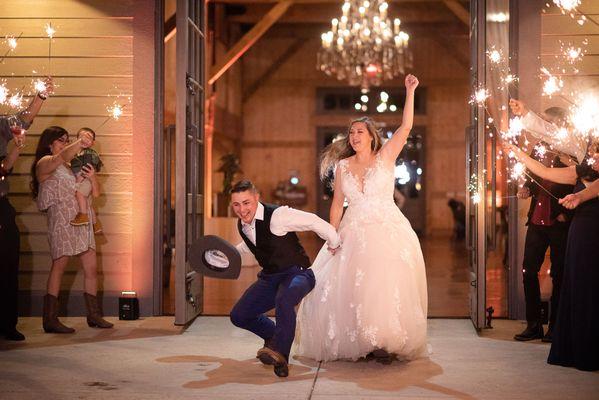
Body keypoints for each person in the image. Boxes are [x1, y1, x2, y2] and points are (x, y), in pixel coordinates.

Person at [296, 75, 428, 363]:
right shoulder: (342, 166)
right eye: (351, 133)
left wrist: (410, 91)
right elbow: (336, 206)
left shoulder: (386, 157)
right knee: (353, 286)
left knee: (384, 283)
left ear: (371, 136)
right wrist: (332, 235)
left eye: (360, 132)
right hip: (354, 230)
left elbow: (406, 127)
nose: (354, 137)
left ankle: (384, 338)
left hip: (387, 228)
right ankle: (361, 339)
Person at [228, 180, 341, 377]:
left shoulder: (278, 216)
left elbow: (313, 221)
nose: (242, 209)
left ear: (257, 198)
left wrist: (334, 241)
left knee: (285, 298)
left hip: (298, 273)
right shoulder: (243, 225)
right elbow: (250, 244)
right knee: (239, 315)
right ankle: (273, 336)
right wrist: (227, 255)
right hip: (270, 277)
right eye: (236, 204)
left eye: (246, 203)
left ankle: (280, 353)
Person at [506, 142, 599, 371]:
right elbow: (544, 173)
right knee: (568, 282)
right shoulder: (578, 170)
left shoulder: (573, 162)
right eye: (591, 150)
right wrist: (518, 153)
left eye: (597, 150)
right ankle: (542, 327)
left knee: (570, 279)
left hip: (577, 229)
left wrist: (579, 198)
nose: (592, 154)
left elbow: (590, 190)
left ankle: (560, 329)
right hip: (569, 230)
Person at [31, 126, 113, 333]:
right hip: (62, 220)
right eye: (61, 140)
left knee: (91, 268)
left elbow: (89, 191)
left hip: (82, 219)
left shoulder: (70, 165)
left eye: (67, 140)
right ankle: (50, 318)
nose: (65, 144)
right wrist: (80, 142)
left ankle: (93, 315)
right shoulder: (45, 163)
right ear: (49, 143)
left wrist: (92, 175)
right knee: (59, 265)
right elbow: (59, 158)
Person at [0, 77, 53, 341]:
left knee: (8, 261)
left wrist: (40, 95)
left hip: (1, 206)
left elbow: (24, 119)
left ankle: (7, 323)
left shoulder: (1, 125)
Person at [514, 145, 573, 343]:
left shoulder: (569, 152)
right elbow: (531, 179)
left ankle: (555, 327)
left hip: (559, 222)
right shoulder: (537, 151)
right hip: (537, 220)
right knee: (528, 271)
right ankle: (534, 325)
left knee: (559, 274)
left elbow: (578, 185)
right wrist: (526, 189)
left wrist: (567, 214)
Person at [509, 99, 586, 164]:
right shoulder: (542, 147)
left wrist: (524, 112)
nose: (544, 128)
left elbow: (549, 131)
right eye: (542, 121)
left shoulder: (578, 137)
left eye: (547, 122)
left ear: (562, 122)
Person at [69, 127, 103, 234]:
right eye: (82, 137)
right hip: (85, 180)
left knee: (79, 194)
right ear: (77, 139)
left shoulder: (88, 153)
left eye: (89, 138)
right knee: (88, 203)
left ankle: (83, 215)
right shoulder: (78, 153)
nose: (85, 140)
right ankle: (95, 224)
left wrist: (79, 180)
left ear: (92, 143)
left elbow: (86, 169)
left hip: (86, 180)